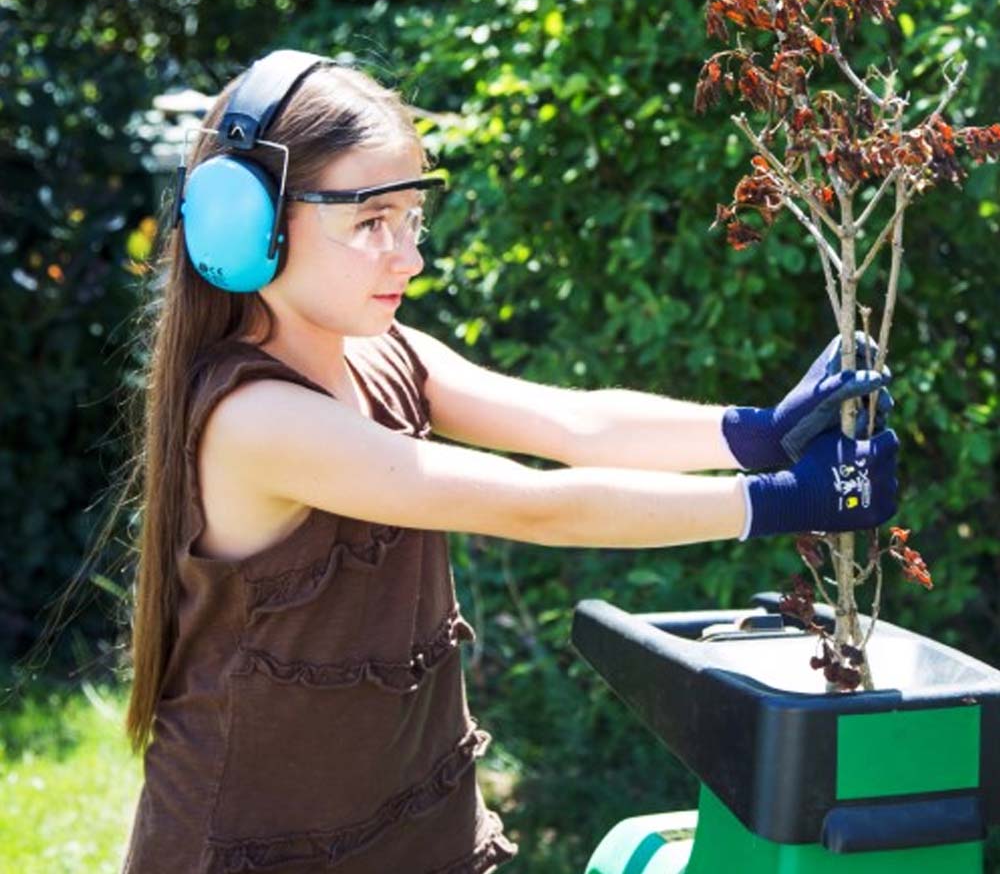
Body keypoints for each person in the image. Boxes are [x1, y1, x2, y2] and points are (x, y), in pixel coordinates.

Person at [119, 50, 898, 874]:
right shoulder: (257, 418)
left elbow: (576, 424)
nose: (408, 257)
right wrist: (777, 501)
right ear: (247, 224)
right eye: (369, 222)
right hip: (255, 847)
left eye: (411, 219)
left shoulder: (386, 351)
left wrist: (756, 434)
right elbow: (535, 503)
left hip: (412, 827)